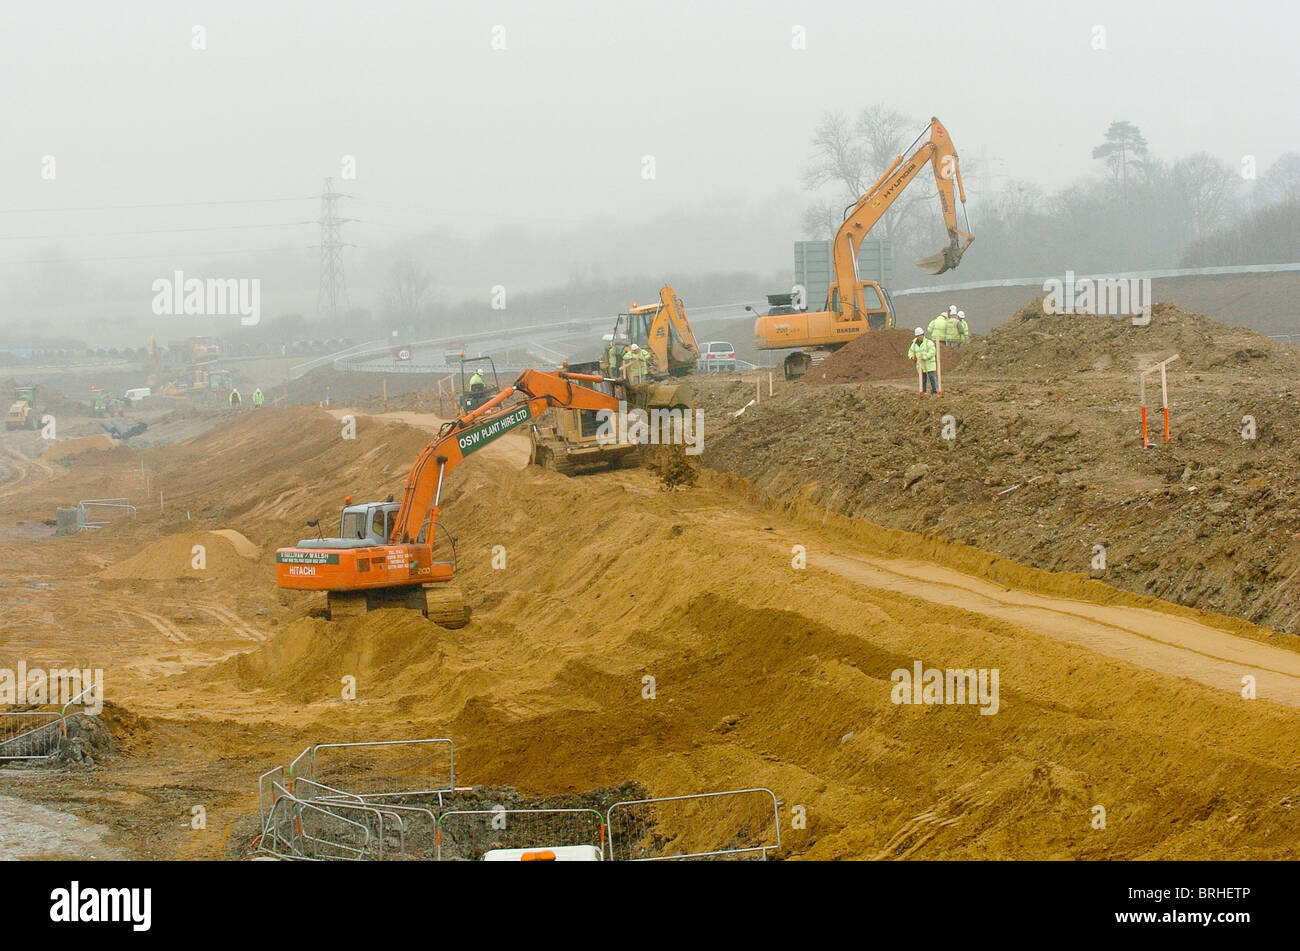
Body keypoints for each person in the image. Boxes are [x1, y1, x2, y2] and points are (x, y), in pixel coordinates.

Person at [908, 327, 938, 395]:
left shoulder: (929, 343)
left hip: (929, 364)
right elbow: (910, 352)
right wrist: (912, 357)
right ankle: (924, 391)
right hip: (921, 365)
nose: (919, 337)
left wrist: (925, 357)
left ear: (923, 335)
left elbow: (932, 352)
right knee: (923, 378)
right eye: (918, 336)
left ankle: (934, 391)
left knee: (931, 377)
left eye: (920, 335)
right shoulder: (914, 344)